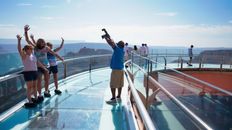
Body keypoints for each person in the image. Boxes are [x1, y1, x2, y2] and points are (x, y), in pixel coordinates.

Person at [24, 25, 64, 98]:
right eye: (41, 42)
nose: (43, 43)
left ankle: (46, 91)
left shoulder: (46, 48)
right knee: (39, 81)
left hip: (46, 66)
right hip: (38, 67)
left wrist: (60, 58)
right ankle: (39, 94)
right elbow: (27, 40)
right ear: (38, 43)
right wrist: (26, 32)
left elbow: (54, 53)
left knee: (47, 80)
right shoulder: (35, 47)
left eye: (43, 42)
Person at [17, 34, 41, 107]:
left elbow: (37, 63)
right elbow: (19, 49)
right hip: (28, 73)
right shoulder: (24, 55)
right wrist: (19, 41)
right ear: (25, 50)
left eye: (31, 49)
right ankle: (30, 100)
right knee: (29, 87)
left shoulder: (33, 56)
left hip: (34, 72)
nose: (30, 50)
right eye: (28, 49)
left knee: (35, 86)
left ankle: (36, 98)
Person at [103, 34, 125, 104]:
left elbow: (111, 43)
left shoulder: (117, 49)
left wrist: (107, 37)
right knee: (119, 84)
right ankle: (118, 96)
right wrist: (108, 37)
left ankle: (113, 99)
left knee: (113, 85)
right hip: (121, 70)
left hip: (116, 70)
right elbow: (112, 43)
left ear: (119, 45)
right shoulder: (122, 51)